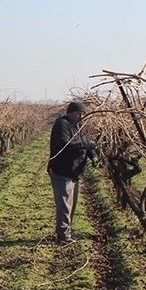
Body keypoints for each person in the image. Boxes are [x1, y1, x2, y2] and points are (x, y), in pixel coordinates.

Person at [46, 101, 96, 245]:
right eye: (79, 113)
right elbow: (64, 144)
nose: (81, 116)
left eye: (83, 114)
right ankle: (63, 236)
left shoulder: (79, 126)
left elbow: (86, 141)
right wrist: (84, 145)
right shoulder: (62, 124)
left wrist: (92, 155)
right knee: (64, 205)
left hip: (75, 171)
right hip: (62, 170)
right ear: (70, 113)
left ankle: (66, 232)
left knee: (71, 204)